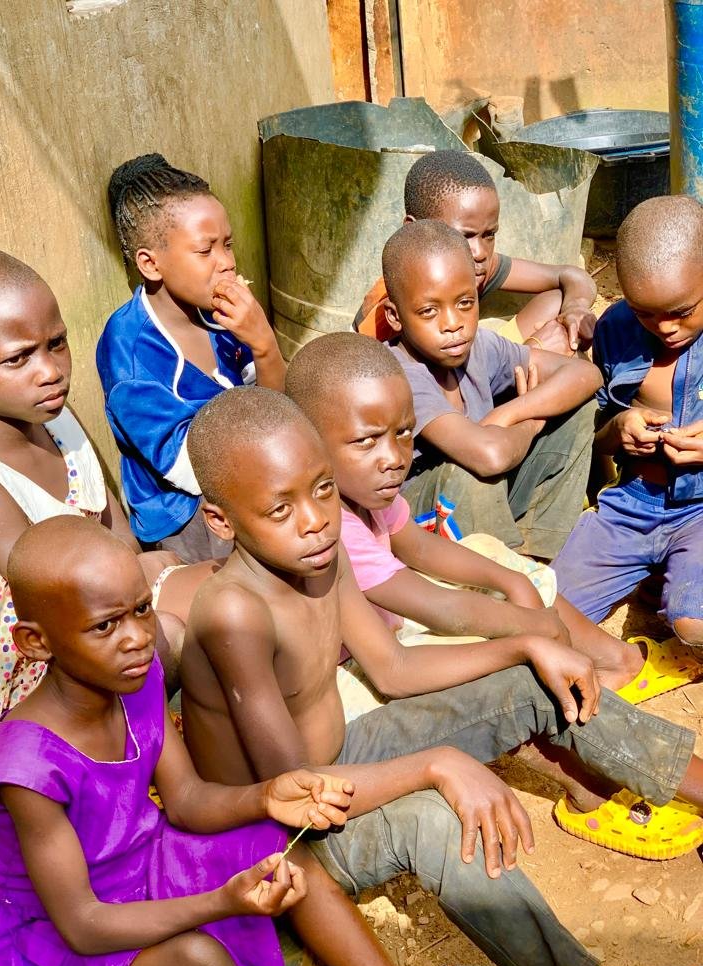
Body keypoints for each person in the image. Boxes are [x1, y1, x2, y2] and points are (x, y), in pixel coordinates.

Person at [180, 385, 703, 966]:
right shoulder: (234, 614)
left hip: (346, 756)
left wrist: (525, 646)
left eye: (323, 490)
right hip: (287, 832)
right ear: (220, 521)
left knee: (530, 681)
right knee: (435, 821)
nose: (315, 519)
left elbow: (394, 669)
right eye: (280, 508)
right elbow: (300, 792)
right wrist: (438, 764)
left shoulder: (320, 556)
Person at [0, 515, 439, 966]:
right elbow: (83, 925)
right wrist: (220, 902)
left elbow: (187, 800)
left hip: (141, 862)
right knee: (199, 961)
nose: (137, 638)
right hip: (49, 938)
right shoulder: (27, 769)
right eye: (105, 625)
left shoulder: (134, 681)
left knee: (284, 856)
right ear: (35, 642)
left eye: (142, 609)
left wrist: (265, 796)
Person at [284, 331, 696, 703]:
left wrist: (512, 580)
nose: (394, 458)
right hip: (355, 675)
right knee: (518, 649)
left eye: (405, 432)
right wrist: (528, 627)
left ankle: (613, 662)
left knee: (491, 555)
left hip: (392, 628)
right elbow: (435, 608)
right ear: (308, 442)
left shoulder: (364, 491)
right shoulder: (330, 529)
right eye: (366, 441)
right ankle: (575, 693)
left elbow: (417, 546)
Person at [0, 246, 210, 763]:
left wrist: (146, 567)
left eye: (56, 344)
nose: (50, 371)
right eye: (18, 358)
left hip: (105, 619)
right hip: (37, 691)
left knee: (227, 588)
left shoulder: (57, 419)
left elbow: (121, 537)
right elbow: (72, 601)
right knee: (179, 630)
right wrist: (145, 571)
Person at [97, 152, 285, 563]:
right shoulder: (132, 354)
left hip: (251, 462)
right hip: (186, 511)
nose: (228, 263)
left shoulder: (221, 314)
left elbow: (279, 410)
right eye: (205, 251)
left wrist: (265, 346)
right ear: (151, 264)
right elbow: (190, 470)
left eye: (228, 245)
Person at [379, 219, 601, 558]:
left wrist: (510, 413)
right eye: (429, 311)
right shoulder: (398, 377)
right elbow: (489, 457)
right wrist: (532, 423)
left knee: (577, 408)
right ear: (395, 317)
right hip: (423, 529)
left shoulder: (479, 346)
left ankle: (534, 555)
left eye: (465, 303)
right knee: (469, 470)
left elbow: (585, 374)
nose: (453, 324)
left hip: (485, 500)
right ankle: (498, 574)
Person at [553, 195, 703, 659]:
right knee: (546, 614)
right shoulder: (615, 329)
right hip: (630, 508)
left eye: (681, 311)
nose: (665, 327)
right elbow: (593, 434)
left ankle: (676, 578)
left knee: (694, 622)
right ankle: (659, 568)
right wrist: (616, 429)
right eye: (645, 313)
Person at [355, 147, 596, 355]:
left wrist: (576, 307)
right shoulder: (392, 310)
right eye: (464, 236)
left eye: (489, 235)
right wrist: (531, 353)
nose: (480, 252)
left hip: (468, 364)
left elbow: (571, 276)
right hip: (427, 384)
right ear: (414, 229)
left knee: (557, 304)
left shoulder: (477, 264)